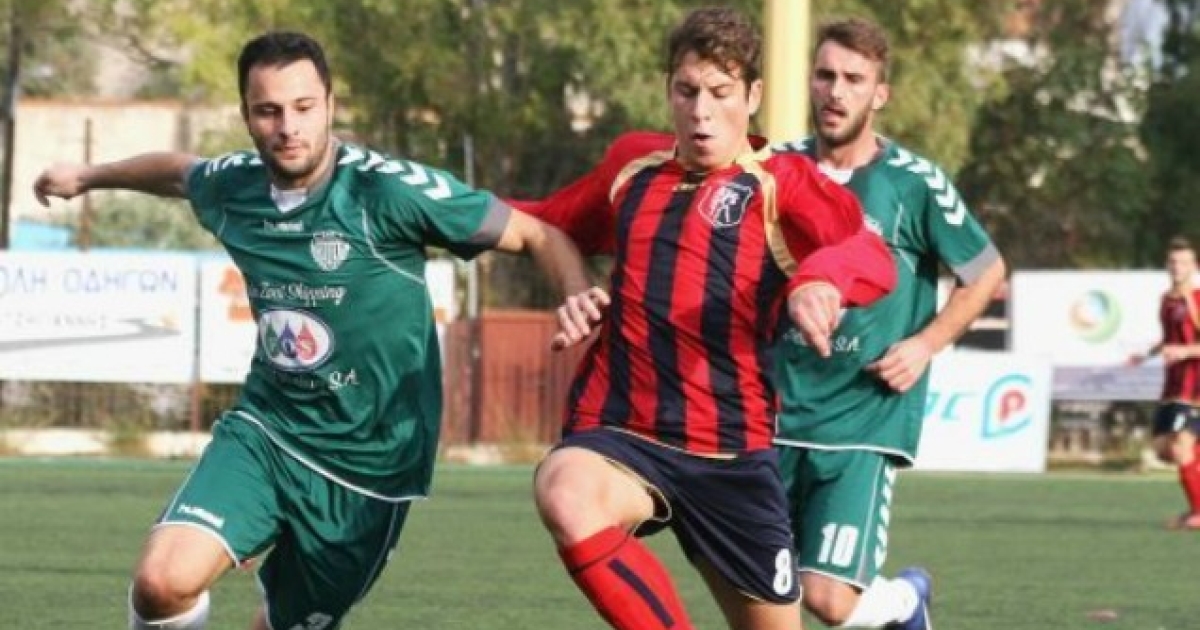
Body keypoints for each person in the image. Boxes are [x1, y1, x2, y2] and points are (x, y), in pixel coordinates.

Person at [32, 31, 590, 630]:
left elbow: (537, 233)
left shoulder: (387, 190)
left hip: (372, 467)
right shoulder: (236, 186)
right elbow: (179, 173)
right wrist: (88, 176)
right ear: (247, 115)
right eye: (268, 111)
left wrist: (577, 292)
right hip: (267, 430)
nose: (288, 127)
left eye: (303, 107)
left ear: (330, 104)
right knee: (160, 583)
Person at [523, 7, 897, 630]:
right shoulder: (632, 166)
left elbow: (868, 252)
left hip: (732, 456)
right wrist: (434, 211)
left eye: (720, 93)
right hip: (623, 434)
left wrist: (820, 282)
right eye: (686, 90)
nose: (701, 111)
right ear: (668, 89)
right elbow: (543, 221)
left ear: (752, 96)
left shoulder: (783, 181)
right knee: (565, 489)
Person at [771, 17, 1007, 630]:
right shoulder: (773, 169)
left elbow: (986, 271)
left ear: (880, 94)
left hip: (863, 417)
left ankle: (906, 602)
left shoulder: (914, 183)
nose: (836, 92)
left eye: (854, 79)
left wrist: (926, 344)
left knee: (827, 598)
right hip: (772, 413)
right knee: (765, 593)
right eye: (825, 75)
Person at [1129, 236, 1200, 530]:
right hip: (1172, 386)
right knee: (1163, 449)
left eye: (1183, 262)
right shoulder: (1166, 301)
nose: (1177, 267)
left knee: (1182, 447)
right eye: (1173, 262)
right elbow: (1169, 338)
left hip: (1195, 387)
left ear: (1194, 266)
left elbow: (1186, 345)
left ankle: (1197, 512)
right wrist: (1147, 354)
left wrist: (1185, 352)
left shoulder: (1196, 300)